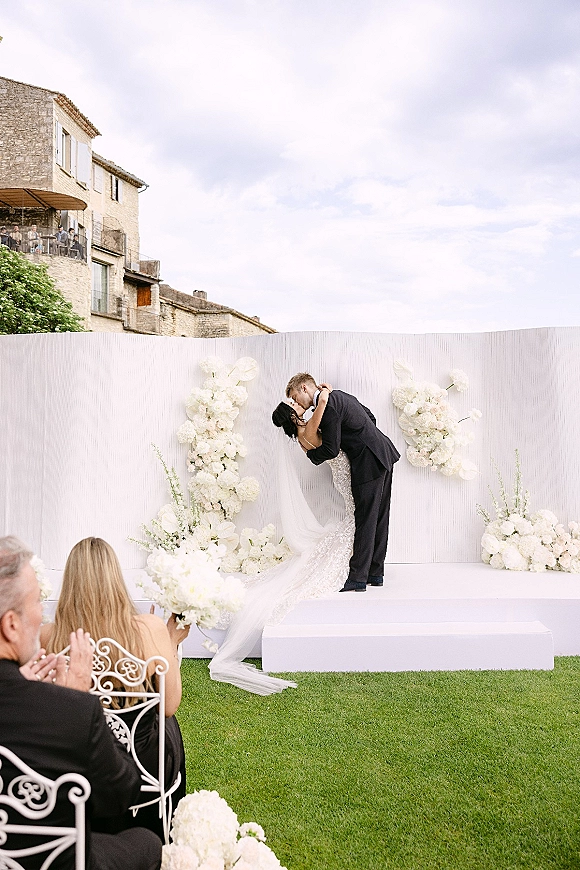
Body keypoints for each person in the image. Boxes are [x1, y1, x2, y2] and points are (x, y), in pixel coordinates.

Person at [0, 535, 162, 870]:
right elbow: (122, 794)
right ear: (11, 624)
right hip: (50, 860)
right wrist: (70, 698)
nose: (42, 612)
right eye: (37, 602)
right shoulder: (70, 712)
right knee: (147, 842)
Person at [209, 386, 357, 695]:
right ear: (294, 417)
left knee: (346, 525)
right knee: (348, 528)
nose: (299, 406)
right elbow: (321, 424)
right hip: (347, 476)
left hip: (344, 478)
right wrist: (325, 398)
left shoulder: (301, 439)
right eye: (294, 405)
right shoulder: (310, 430)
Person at [42, 537, 188, 840]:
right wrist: (170, 643)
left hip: (77, 764)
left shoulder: (47, 636)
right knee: (168, 722)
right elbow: (170, 705)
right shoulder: (149, 628)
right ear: (115, 578)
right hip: (143, 765)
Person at [287, 373, 400, 592]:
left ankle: (358, 577)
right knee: (379, 516)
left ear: (303, 388)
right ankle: (375, 573)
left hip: (368, 462)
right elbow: (370, 416)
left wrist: (311, 456)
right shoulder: (339, 395)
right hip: (383, 451)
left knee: (366, 518)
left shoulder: (329, 406)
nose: (296, 403)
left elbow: (330, 448)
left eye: (294, 397)